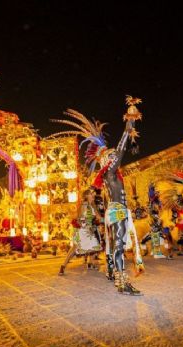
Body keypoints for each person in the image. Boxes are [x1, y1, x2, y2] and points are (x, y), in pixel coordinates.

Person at [55, 98, 145, 294]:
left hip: (115, 211)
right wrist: (129, 123)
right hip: (118, 211)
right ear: (107, 159)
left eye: (114, 155)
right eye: (112, 155)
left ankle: (113, 273)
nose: (116, 156)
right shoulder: (109, 171)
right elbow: (122, 149)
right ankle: (123, 283)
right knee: (119, 245)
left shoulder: (110, 175)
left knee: (116, 245)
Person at [59, 189, 103, 275]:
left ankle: (90, 263)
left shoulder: (93, 205)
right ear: (86, 196)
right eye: (91, 194)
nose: (93, 195)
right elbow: (79, 218)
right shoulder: (83, 205)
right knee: (74, 249)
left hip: (90, 230)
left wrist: (100, 220)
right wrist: (87, 223)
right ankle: (63, 266)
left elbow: (98, 217)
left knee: (95, 245)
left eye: (93, 194)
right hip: (82, 230)